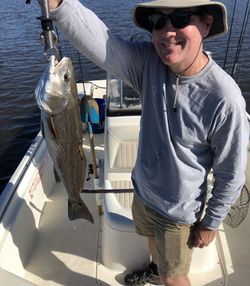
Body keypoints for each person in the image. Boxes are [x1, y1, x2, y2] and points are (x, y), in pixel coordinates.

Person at [46, 0, 249, 285]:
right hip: (143, 192)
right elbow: (100, 41)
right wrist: (59, 5)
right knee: (152, 243)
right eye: (158, 20)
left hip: (178, 213)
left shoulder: (225, 99)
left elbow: (231, 173)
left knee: (175, 278)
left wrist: (211, 222)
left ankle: (163, 274)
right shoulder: (149, 63)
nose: (167, 31)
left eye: (179, 19)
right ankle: (155, 268)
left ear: (206, 24)